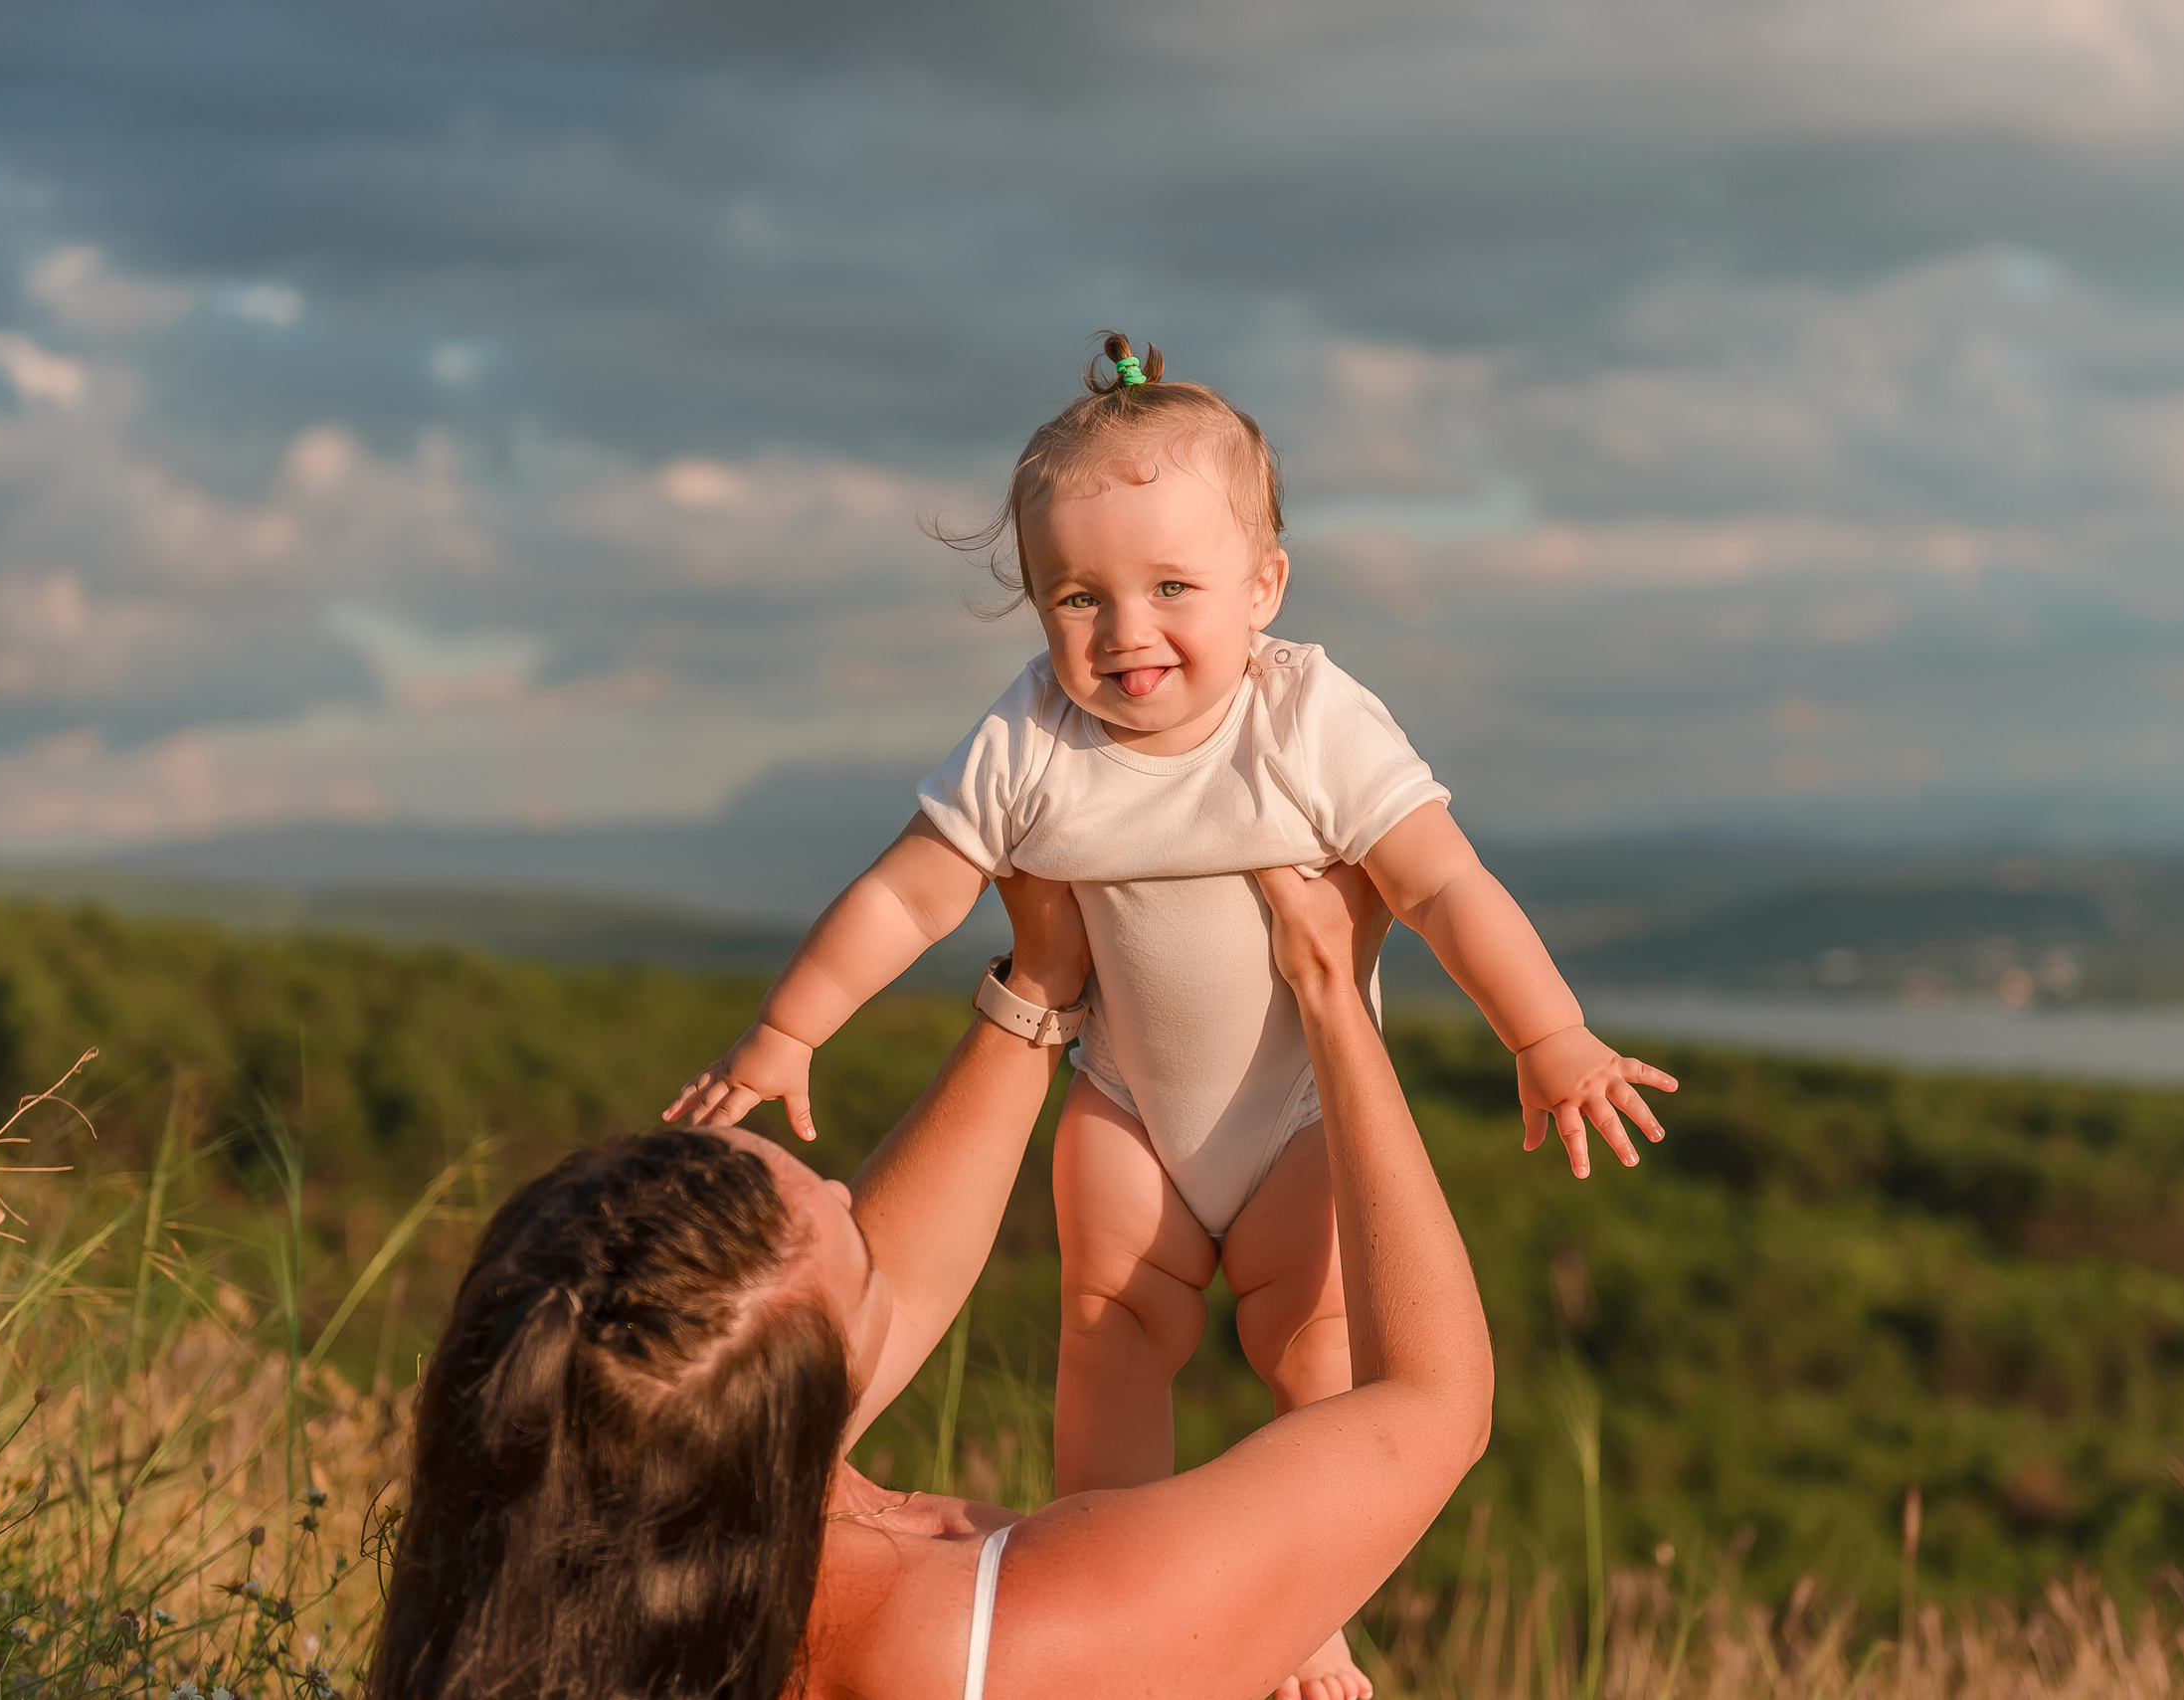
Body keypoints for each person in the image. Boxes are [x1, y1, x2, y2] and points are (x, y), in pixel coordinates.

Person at [664, 333, 1675, 1695]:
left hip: (1299, 1117)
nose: (1126, 631)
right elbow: (905, 898)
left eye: (1173, 587)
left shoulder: (1308, 718)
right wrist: (791, 1029)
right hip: (1127, 1105)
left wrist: (1547, 1036)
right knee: (1107, 1337)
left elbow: (1442, 884)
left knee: (1317, 1353)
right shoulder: (1034, 740)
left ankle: (1300, 1608)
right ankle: (1108, 1562)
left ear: (1266, 587)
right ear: (1037, 608)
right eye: (1078, 597)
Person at [371, 864, 1493, 1700]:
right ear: (815, 1387)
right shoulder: (1011, 1633)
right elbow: (1432, 1404)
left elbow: (884, 1283)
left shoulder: (632, 1541)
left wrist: (1044, 979)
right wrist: (1334, 999)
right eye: (847, 1232)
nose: (851, 1196)